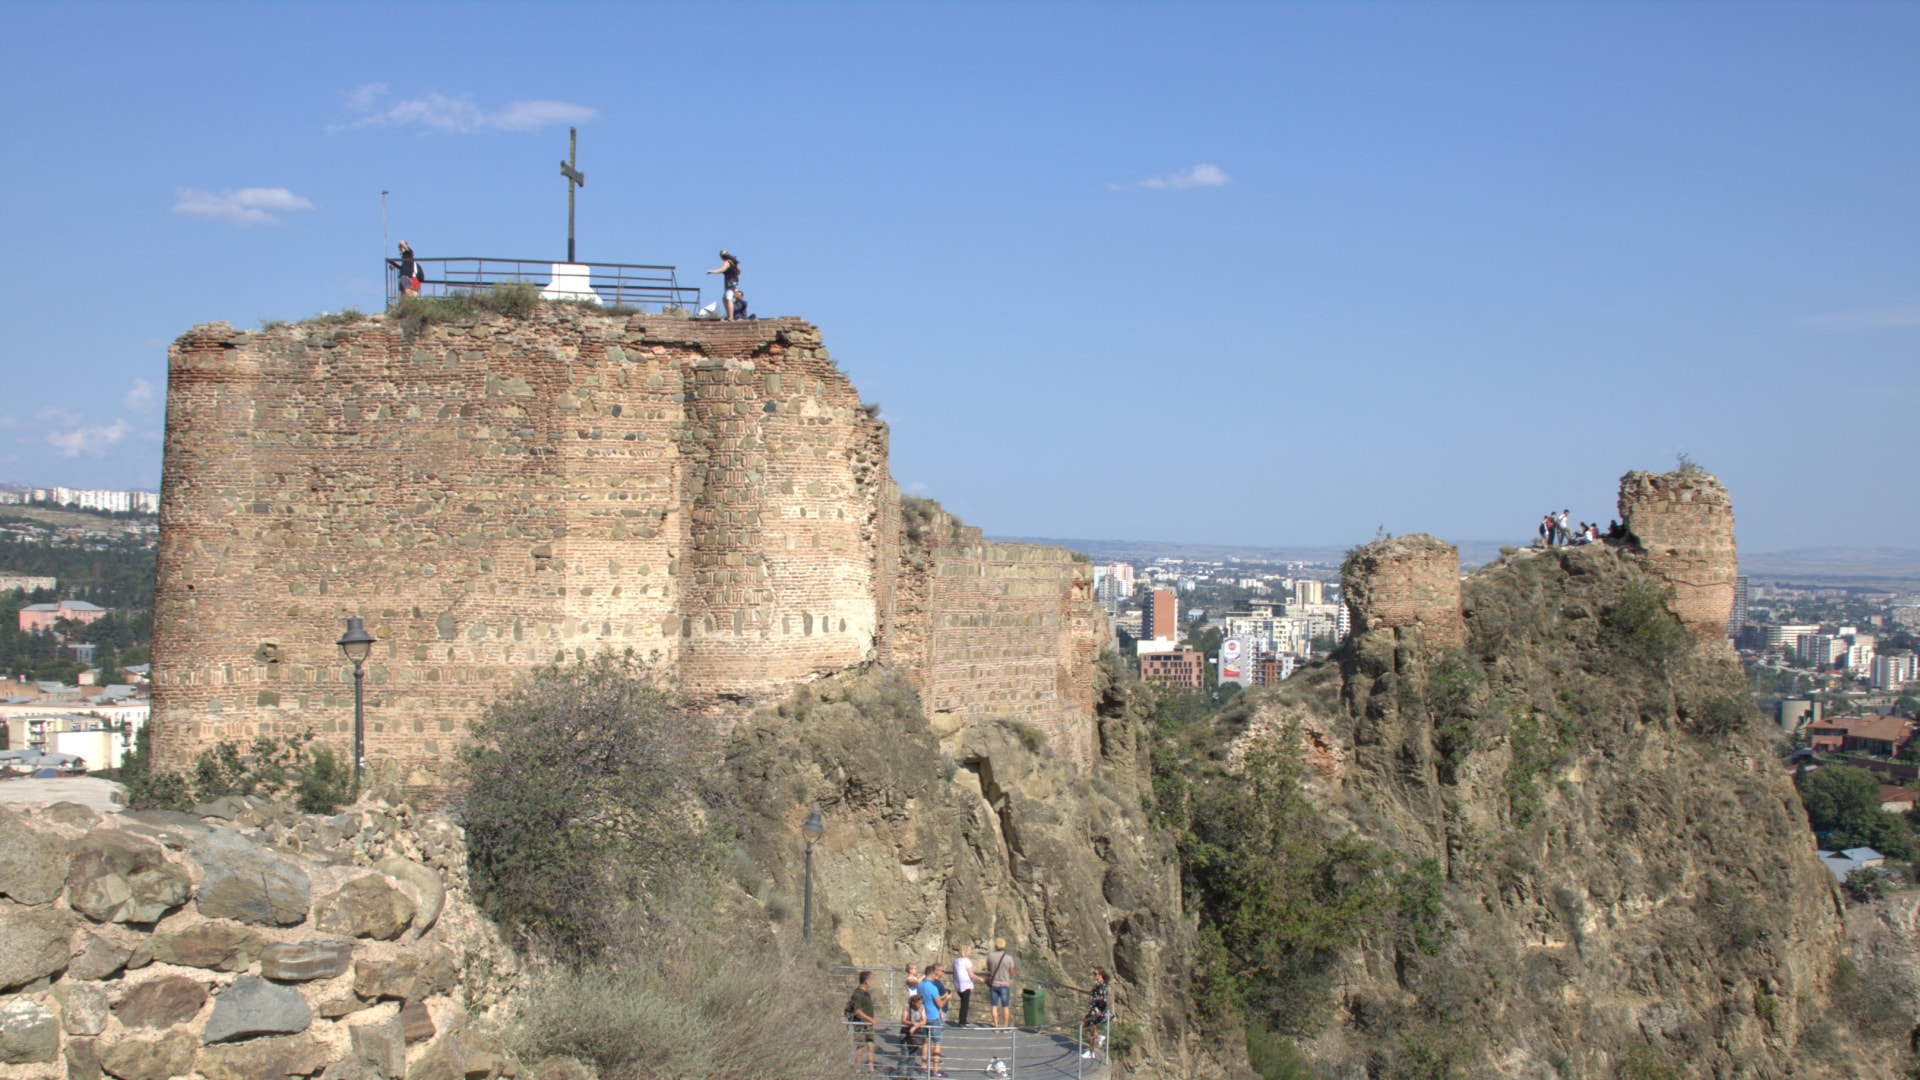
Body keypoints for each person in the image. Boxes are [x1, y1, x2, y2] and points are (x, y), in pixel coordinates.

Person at [921, 962, 950, 1077]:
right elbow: (940, 1004)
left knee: (926, 1042)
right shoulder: (932, 987)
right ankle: (935, 1070)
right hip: (934, 1017)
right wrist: (947, 998)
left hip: (925, 1016)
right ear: (932, 973)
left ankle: (923, 1067)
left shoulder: (920, 985)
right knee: (937, 1042)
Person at [847, 970, 878, 1072]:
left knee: (871, 1044)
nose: (872, 981)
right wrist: (871, 1020)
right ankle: (857, 1068)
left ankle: (870, 1066)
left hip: (868, 1024)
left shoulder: (866, 993)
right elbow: (858, 1011)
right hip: (860, 1023)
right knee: (860, 1046)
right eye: (871, 979)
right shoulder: (858, 994)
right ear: (866, 981)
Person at [1079, 966, 1112, 1060]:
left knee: (1091, 1028)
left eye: (1095, 974)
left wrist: (1097, 1000)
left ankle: (1091, 1051)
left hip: (1097, 1009)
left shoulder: (1102, 985)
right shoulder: (1099, 984)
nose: (1093, 975)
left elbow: (1103, 998)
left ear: (1101, 975)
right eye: (1093, 973)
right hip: (1094, 1009)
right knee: (1085, 1025)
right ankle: (1099, 1038)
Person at [985, 937, 1015, 1029]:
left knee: (994, 1005)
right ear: (1004, 946)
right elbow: (1012, 973)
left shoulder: (991, 956)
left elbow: (989, 969)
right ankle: (1005, 1027)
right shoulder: (1009, 958)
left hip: (994, 984)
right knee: (1005, 1006)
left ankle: (996, 1026)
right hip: (1004, 984)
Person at [900, 980, 928, 1072]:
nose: (920, 1006)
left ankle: (909, 1075)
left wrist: (916, 1026)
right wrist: (911, 1023)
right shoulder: (907, 1006)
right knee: (904, 1053)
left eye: (921, 1003)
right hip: (905, 1031)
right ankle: (900, 1073)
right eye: (918, 1004)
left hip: (915, 1032)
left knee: (912, 1054)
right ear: (913, 1003)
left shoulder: (922, 1007)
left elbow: (924, 1020)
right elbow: (903, 1020)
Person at [707, 249, 741, 321]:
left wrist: (712, 271)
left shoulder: (727, 262)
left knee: (728, 299)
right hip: (734, 281)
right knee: (725, 299)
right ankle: (729, 315)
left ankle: (730, 317)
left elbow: (722, 269)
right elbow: (739, 271)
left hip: (730, 282)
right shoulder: (734, 262)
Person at [952, 944, 976, 1028]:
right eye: (970, 950)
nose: (971, 952)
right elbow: (971, 974)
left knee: (963, 1002)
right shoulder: (966, 961)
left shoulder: (955, 960)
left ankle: (963, 1020)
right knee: (965, 1003)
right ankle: (962, 1021)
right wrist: (980, 979)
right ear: (965, 951)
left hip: (958, 984)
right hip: (965, 984)